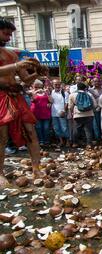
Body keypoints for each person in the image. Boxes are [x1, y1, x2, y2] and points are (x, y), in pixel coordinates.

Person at [0, 18, 46, 186]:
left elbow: (26, 80)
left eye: (10, 34)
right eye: (5, 33)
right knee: (2, 136)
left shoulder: (12, 54)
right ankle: (0, 173)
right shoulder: (15, 59)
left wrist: (38, 73)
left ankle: (36, 167)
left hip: (16, 95)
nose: (8, 38)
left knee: (31, 132)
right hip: (0, 95)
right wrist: (17, 65)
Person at [68, 82, 96, 148]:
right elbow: (95, 105)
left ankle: (75, 143)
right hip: (89, 114)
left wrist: (72, 113)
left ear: (77, 87)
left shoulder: (72, 95)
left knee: (76, 130)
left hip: (78, 115)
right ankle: (89, 144)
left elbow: (70, 107)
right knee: (88, 130)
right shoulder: (89, 94)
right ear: (85, 88)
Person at [30, 79, 52, 146]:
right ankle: (41, 141)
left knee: (46, 128)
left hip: (46, 113)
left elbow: (51, 101)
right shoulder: (33, 92)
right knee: (38, 128)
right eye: (36, 87)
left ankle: (46, 141)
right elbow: (32, 100)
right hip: (36, 113)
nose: (38, 88)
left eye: (39, 87)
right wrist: (35, 92)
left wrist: (47, 93)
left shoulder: (45, 92)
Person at [51, 79, 69, 147]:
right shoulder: (51, 92)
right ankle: (61, 141)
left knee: (64, 128)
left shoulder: (64, 93)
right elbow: (50, 101)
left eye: (59, 84)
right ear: (53, 85)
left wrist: (64, 111)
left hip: (62, 113)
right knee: (56, 128)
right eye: (56, 84)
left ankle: (67, 141)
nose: (57, 86)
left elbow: (67, 103)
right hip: (53, 113)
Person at [89, 77, 102, 142]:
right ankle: (97, 137)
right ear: (92, 82)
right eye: (95, 81)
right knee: (95, 124)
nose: (97, 83)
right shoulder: (90, 90)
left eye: (98, 81)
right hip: (94, 109)